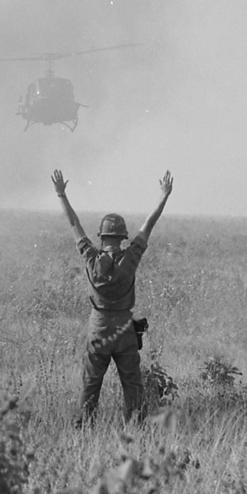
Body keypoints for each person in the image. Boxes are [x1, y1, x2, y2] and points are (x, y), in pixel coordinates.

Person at [50, 168, 174, 424]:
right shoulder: (130, 258)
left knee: (91, 383)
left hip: (98, 328)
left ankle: (84, 428)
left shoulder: (90, 258)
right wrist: (164, 196)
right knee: (132, 384)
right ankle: (135, 429)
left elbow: (74, 224)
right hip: (125, 330)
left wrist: (62, 194)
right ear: (121, 238)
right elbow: (149, 225)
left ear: (103, 236)